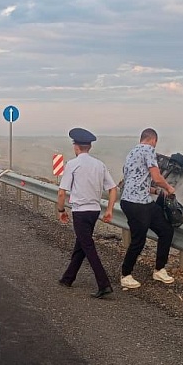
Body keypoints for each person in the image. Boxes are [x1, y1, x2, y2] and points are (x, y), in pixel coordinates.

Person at [56, 127, 118, 298]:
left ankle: (104, 284)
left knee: (88, 247)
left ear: (76, 146)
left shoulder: (72, 165)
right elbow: (113, 188)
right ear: (89, 146)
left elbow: (62, 192)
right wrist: (110, 209)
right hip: (94, 211)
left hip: (80, 212)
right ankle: (68, 278)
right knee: (81, 245)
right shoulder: (100, 165)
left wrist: (61, 210)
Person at [119, 128, 178, 289]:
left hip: (134, 200)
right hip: (137, 203)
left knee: (165, 230)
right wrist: (168, 188)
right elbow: (157, 178)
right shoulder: (149, 150)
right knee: (139, 239)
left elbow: (136, 180)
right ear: (154, 140)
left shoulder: (131, 153)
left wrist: (155, 191)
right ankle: (126, 274)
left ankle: (159, 269)